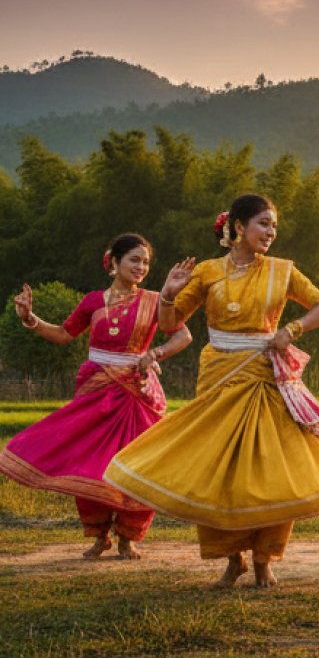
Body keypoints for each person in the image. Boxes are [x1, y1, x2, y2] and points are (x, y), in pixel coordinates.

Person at [105, 194, 319, 588]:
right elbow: (170, 322)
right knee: (218, 471)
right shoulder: (208, 272)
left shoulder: (282, 271)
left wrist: (291, 330)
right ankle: (232, 559)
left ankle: (265, 558)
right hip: (218, 376)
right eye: (263, 224)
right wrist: (166, 292)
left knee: (271, 469)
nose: (270, 232)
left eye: (274, 226)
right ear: (238, 226)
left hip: (264, 378)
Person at [1, 234, 192, 560]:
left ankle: (129, 538)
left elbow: (183, 336)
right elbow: (63, 335)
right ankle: (100, 534)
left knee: (138, 466)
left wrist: (155, 353)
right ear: (113, 262)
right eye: (134, 259)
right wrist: (29, 319)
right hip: (96, 393)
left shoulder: (155, 300)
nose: (141, 267)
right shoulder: (92, 301)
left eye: (145, 262)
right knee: (90, 463)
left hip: (136, 394)